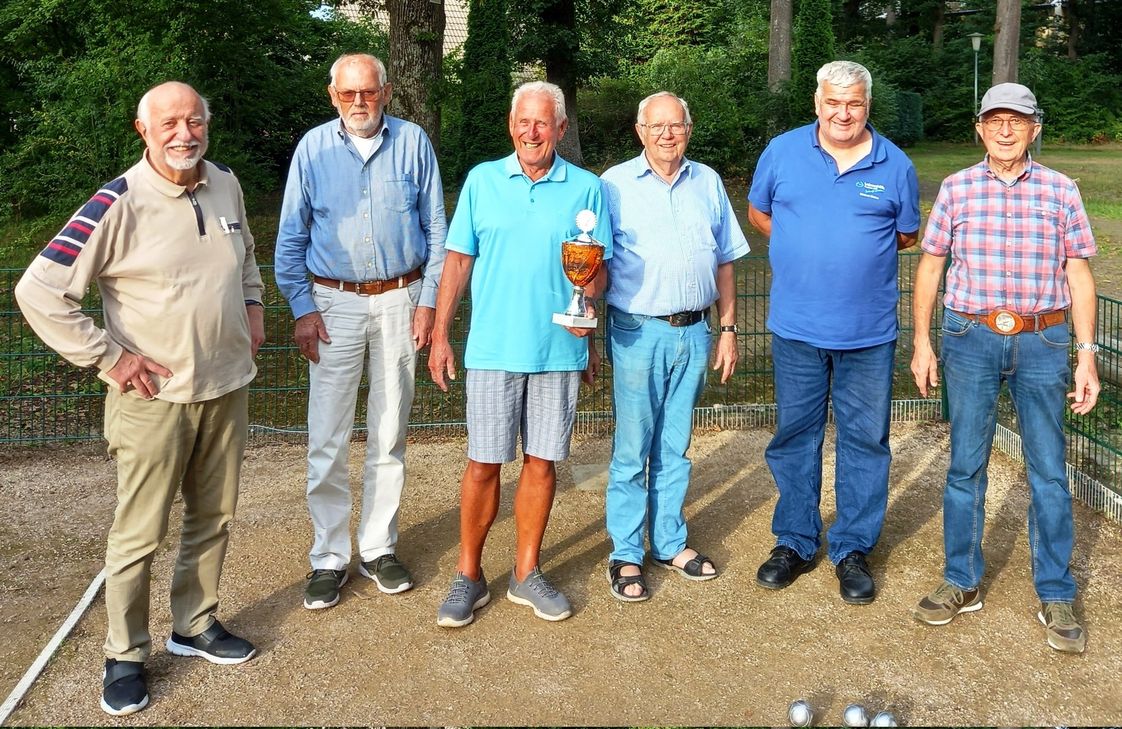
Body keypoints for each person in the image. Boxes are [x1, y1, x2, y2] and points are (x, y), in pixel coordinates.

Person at [15, 81, 264, 716]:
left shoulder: (226, 182)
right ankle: (124, 654)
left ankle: (195, 625)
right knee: (140, 534)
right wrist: (112, 358)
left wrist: (255, 303)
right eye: (170, 124)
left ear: (209, 124)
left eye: (195, 121)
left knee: (215, 516)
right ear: (143, 130)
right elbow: (38, 291)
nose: (185, 134)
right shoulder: (116, 202)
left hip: (225, 387)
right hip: (154, 398)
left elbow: (245, 254)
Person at [910, 83, 1100, 653]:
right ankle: (961, 581)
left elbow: (1079, 275)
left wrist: (1086, 354)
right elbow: (930, 267)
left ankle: (1055, 590)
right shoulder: (956, 188)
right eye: (994, 120)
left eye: (1016, 121)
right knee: (965, 464)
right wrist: (923, 342)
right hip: (970, 339)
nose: (1005, 130)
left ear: (1034, 128)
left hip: (1043, 341)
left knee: (1047, 467)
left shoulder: (1062, 190)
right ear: (980, 128)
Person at [429, 80, 612, 627]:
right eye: (523, 122)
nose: (532, 132)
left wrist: (589, 318)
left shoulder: (587, 188)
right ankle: (468, 575)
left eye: (544, 123)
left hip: (558, 348)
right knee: (484, 463)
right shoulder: (483, 181)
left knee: (542, 462)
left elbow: (596, 271)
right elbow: (457, 262)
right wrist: (440, 335)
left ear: (561, 129)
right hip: (492, 348)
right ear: (512, 126)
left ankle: (525, 573)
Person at [275, 53, 447, 610]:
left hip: (401, 298)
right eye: (348, 94)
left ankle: (378, 548)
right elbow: (289, 241)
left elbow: (436, 229)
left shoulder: (414, 142)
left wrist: (427, 304)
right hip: (334, 304)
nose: (358, 102)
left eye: (368, 92)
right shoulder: (312, 149)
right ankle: (328, 557)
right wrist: (303, 308)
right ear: (332, 95)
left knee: (390, 430)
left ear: (386, 91)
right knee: (326, 436)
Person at [747, 60, 919, 604]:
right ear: (817, 103)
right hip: (797, 328)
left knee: (866, 441)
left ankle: (851, 549)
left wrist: (851, 260)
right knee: (796, 437)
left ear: (867, 106)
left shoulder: (896, 165)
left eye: (855, 104)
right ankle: (795, 541)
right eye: (833, 103)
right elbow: (759, 213)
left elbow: (906, 235)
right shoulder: (782, 151)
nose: (843, 114)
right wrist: (804, 247)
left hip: (868, 333)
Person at [598, 92, 749, 601]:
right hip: (638, 331)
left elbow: (725, 258)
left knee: (675, 445)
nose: (667, 134)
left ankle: (668, 541)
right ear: (640, 131)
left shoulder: (706, 181)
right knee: (632, 448)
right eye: (656, 126)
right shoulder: (613, 185)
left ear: (689, 127)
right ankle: (624, 551)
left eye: (676, 125)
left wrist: (727, 328)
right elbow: (590, 261)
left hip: (695, 330)